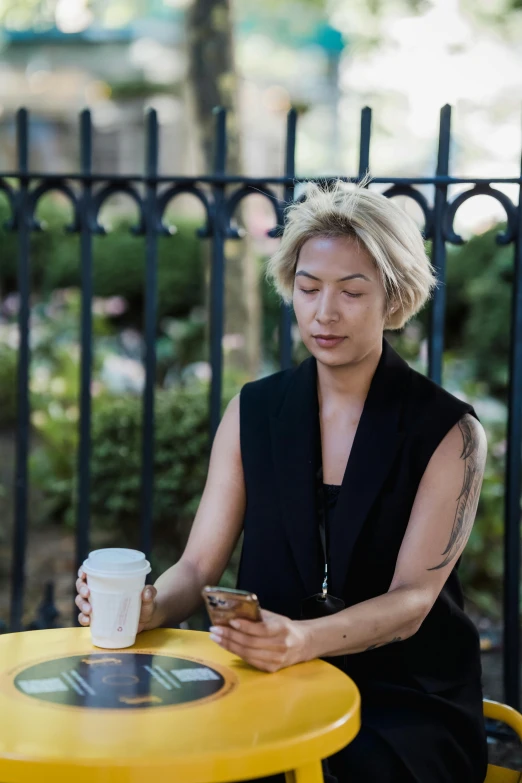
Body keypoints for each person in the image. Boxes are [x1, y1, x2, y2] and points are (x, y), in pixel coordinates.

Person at [76, 180, 488, 783]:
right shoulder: (254, 410)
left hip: (404, 703)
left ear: (393, 298)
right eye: (308, 288)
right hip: (270, 679)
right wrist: (148, 608)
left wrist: (303, 638)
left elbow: (412, 603)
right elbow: (195, 570)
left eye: (351, 291)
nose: (325, 313)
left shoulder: (449, 431)